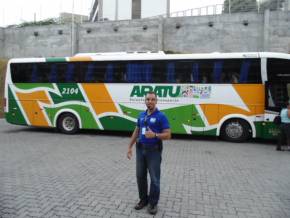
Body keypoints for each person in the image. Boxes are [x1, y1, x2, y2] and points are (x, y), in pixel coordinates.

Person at [127, 91, 171, 215]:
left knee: (154, 179)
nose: (150, 101)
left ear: (156, 101)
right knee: (140, 176)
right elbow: (136, 131)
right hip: (140, 149)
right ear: (145, 101)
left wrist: (155, 135)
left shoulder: (161, 116)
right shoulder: (141, 115)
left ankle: (153, 203)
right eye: (147, 99)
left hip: (154, 151)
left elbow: (168, 134)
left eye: (152, 99)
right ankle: (143, 200)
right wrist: (129, 146)